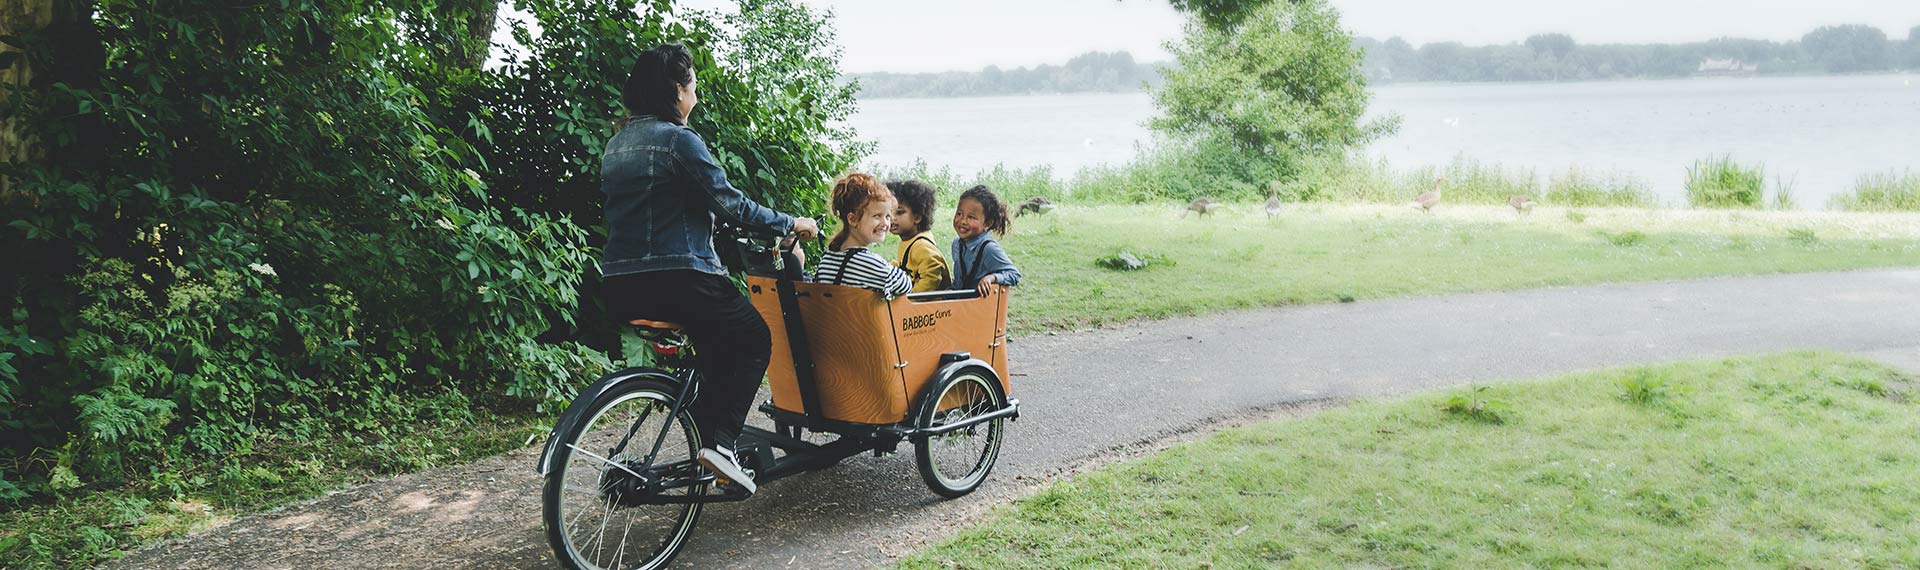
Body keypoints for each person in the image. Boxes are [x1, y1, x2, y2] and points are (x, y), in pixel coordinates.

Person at [597, 44, 819, 495]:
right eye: (692, 83)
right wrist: (790, 222)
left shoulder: (616, 145)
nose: (694, 91)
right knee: (755, 337)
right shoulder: (679, 140)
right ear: (678, 91)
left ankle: (703, 445)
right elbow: (729, 202)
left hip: (619, 285)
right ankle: (721, 444)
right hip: (679, 280)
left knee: (712, 349)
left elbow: (649, 211)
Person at [814, 174, 912, 296]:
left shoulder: (827, 259)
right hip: (858, 315)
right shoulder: (870, 264)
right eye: (877, 216)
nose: (885, 223)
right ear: (853, 219)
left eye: (887, 216)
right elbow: (906, 285)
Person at [950, 185, 1021, 297]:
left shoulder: (989, 249)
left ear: (987, 224)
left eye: (971, 217)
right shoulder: (956, 244)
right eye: (959, 214)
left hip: (980, 308)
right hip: (960, 306)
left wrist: (992, 278)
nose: (963, 221)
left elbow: (1014, 275)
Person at [885, 180, 951, 293]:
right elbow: (908, 266)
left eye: (900, 212)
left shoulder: (921, 246)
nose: (892, 218)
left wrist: (911, 297)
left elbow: (931, 277)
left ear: (917, 218)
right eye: (890, 212)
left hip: (933, 306)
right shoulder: (908, 241)